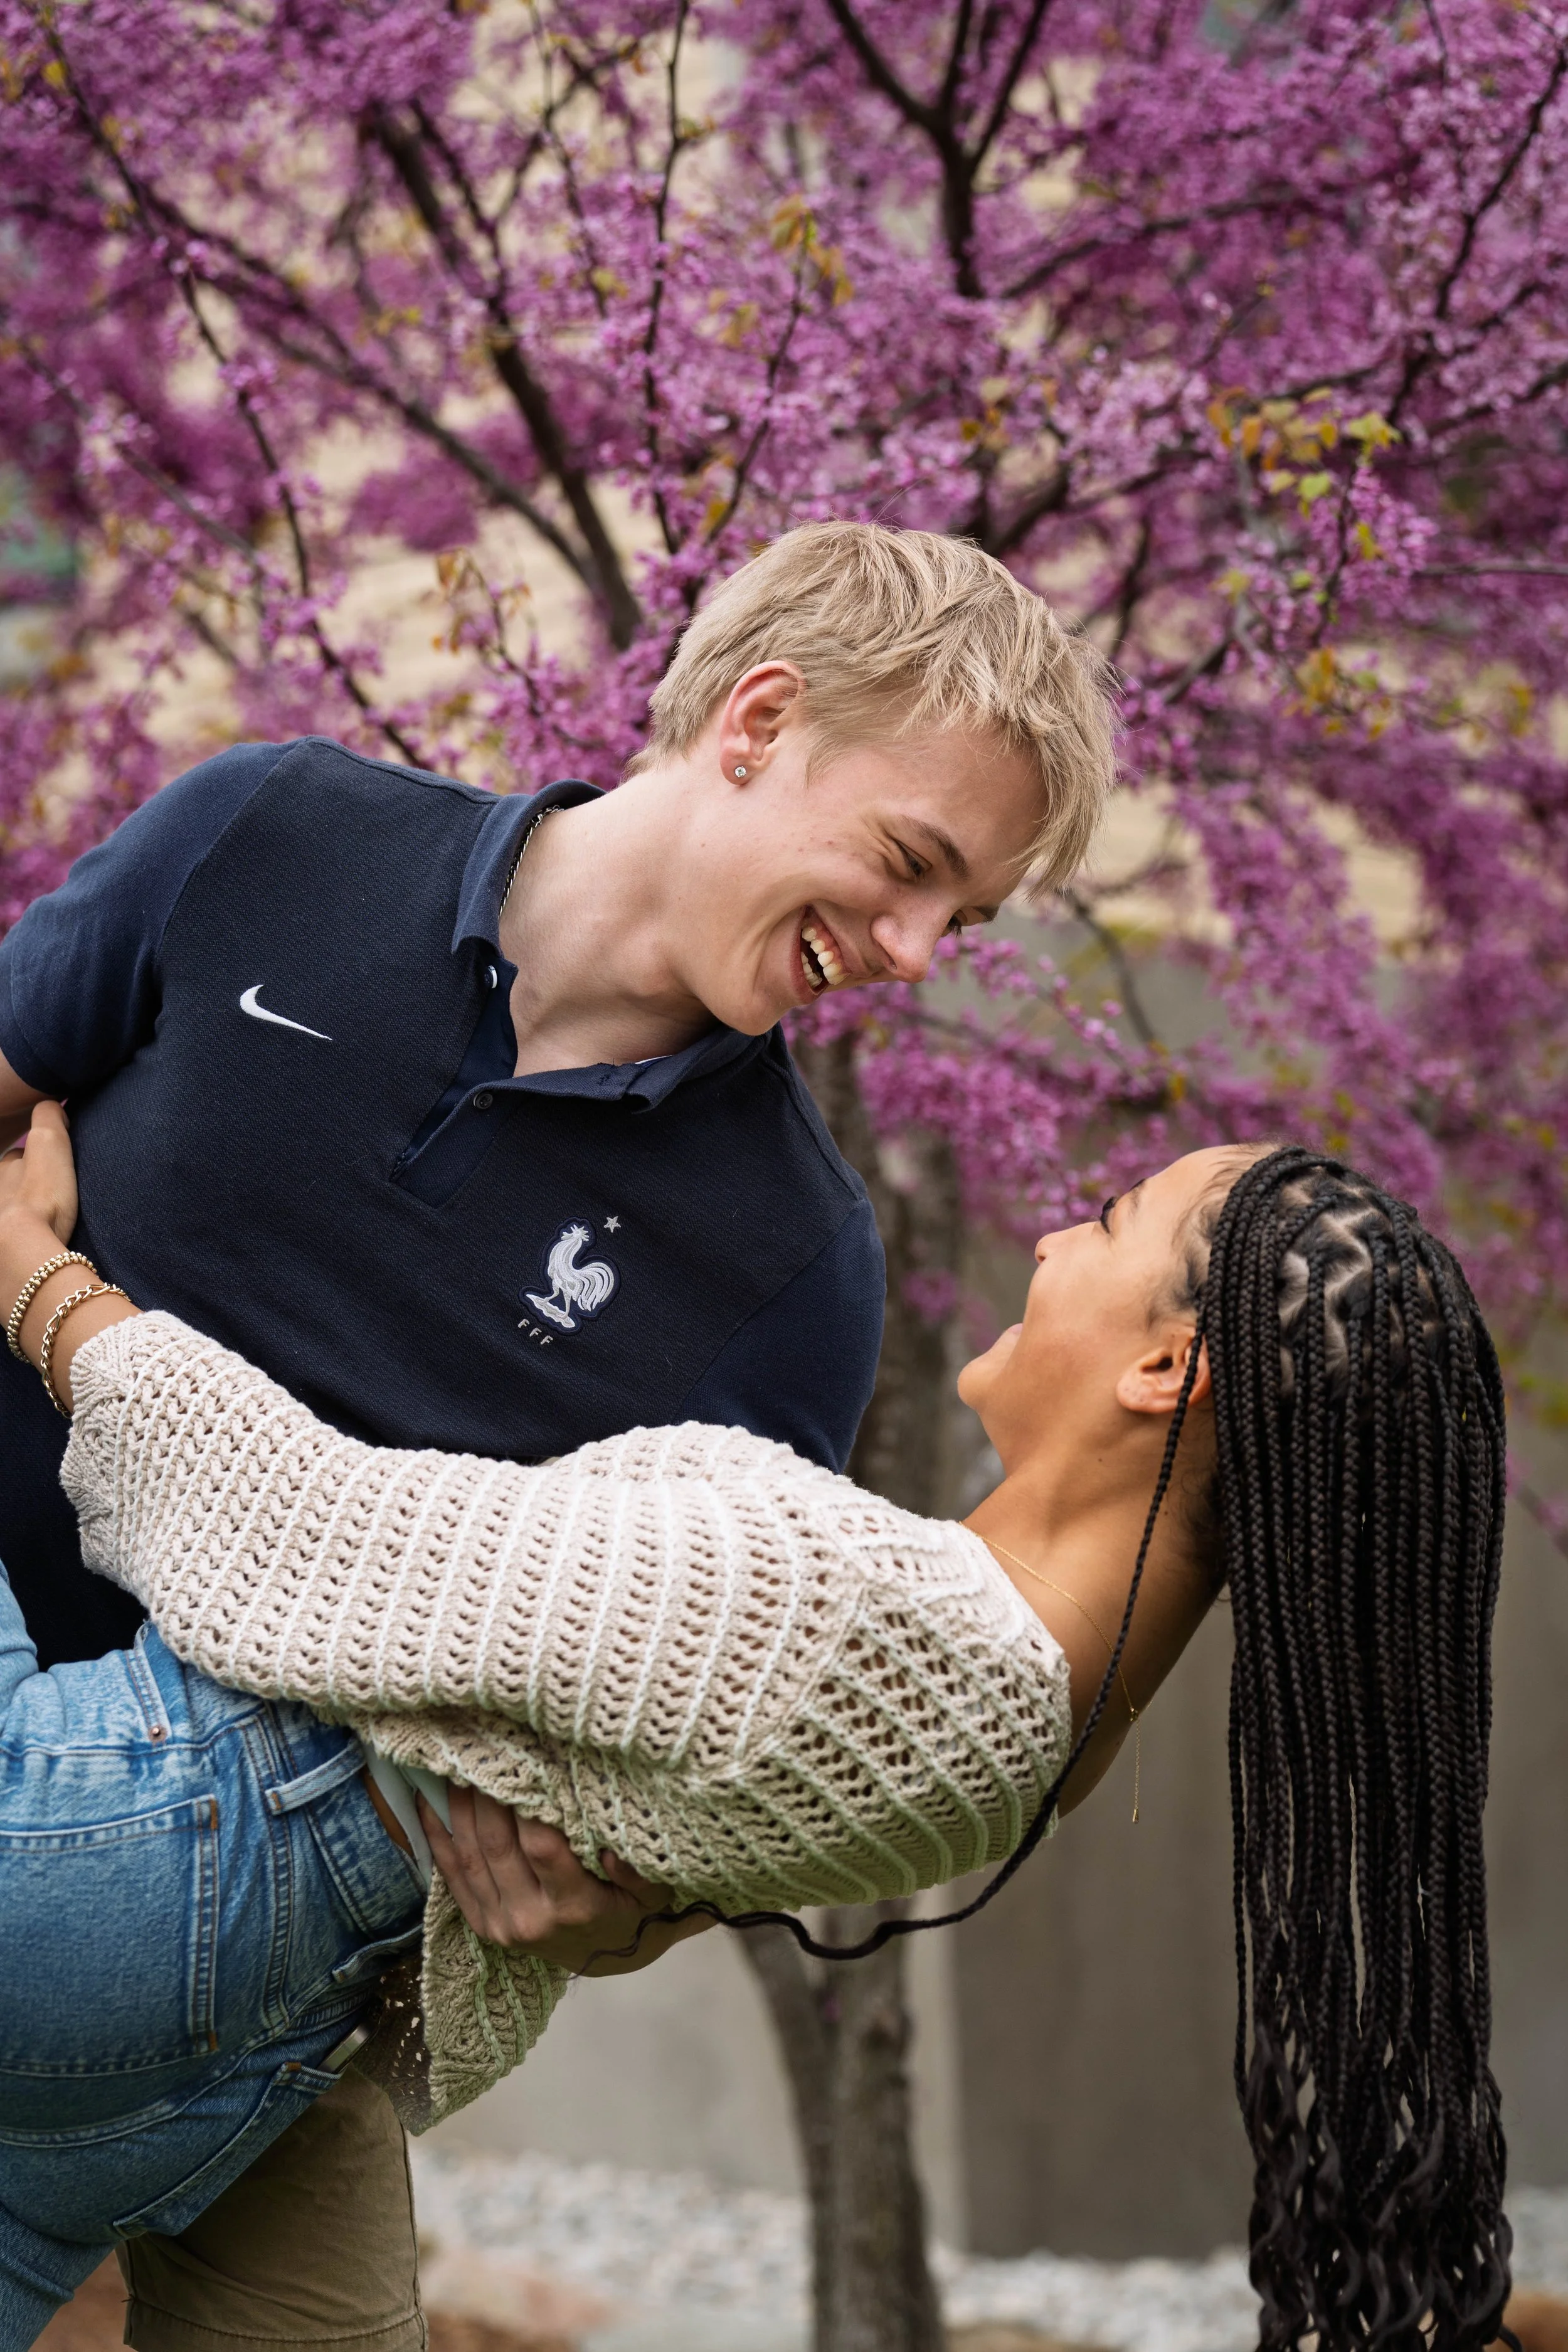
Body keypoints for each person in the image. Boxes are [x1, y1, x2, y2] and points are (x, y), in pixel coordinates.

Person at [0, 524, 1116, 2348]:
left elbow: (684, 1806)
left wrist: (595, 1908)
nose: (915, 952)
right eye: (912, 866)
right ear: (757, 718)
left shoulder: (796, 1269)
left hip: (264, 2000)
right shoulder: (263, 832)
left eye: (964, 918)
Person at [0, 1110, 1510, 2352]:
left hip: (123, 1842)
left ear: (1162, 1369)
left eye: (1107, 1221)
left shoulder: (857, 1615)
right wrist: (618, 1917)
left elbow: (316, 1533)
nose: (1051, 1235)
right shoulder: (1032, 1736)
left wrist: (36, 1276)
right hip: (241, 2034)